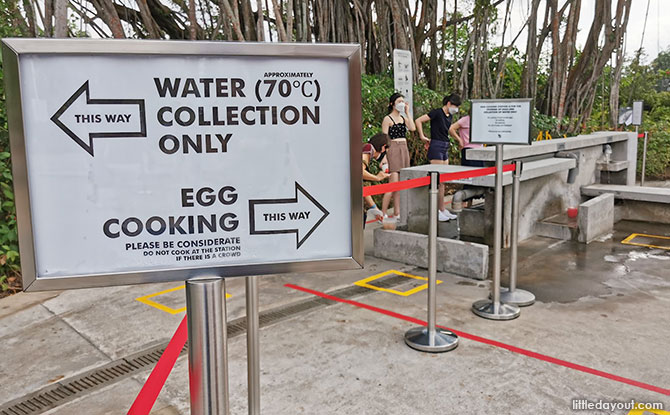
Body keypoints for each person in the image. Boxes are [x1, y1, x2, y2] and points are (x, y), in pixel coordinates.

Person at [415, 93, 461, 221]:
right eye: (455, 106)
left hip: (445, 145)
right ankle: (435, 211)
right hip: (436, 145)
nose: (456, 109)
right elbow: (418, 120)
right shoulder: (436, 112)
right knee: (437, 180)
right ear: (449, 103)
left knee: (443, 181)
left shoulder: (450, 116)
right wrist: (422, 136)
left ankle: (442, 209)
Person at [381, 93, 416, 218]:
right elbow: (384, 139)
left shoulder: (403, 118)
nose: (401, 103)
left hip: (404, 149)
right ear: (392, 104)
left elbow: (412, 128)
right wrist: (384, 157)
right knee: (392, 184)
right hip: (393, 149)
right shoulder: (387, 119)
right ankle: (383, 213)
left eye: (403, 101)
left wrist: (407, 112)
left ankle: (397, 212)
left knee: (400, 185)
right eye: (399, 101)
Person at [362, 133, 390, 222]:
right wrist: (377, 177)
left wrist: (376, 210)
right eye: (385, 149)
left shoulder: (367, 149)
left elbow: (363, 187)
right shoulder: (368, 148)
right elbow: (359, 172)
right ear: (383, 146)